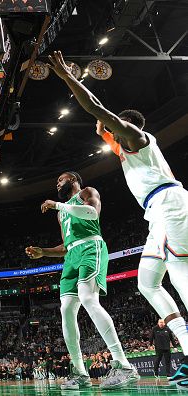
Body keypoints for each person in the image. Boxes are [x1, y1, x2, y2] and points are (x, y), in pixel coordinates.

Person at [47, 50, 188, 391]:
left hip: (172, 207)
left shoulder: (138, 138)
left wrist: (70, 78)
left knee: (183, 281)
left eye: (108, 129)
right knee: (148, 283)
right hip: (156, 214)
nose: (103, 132)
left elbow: (97, 110)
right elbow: (101, 124)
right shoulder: (128, 152)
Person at [26, 171, 138, 390]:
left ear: (74, 180)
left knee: (88, 298)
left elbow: (92, 214)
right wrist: (44, 252)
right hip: (71, 257)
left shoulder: (87, 192)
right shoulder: (61, 213)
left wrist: (57, 205)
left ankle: (124, 365)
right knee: (66, 308)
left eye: (61, 179)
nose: (57, 183)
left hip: (90, 247)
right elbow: (66, 246)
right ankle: (80, 372)